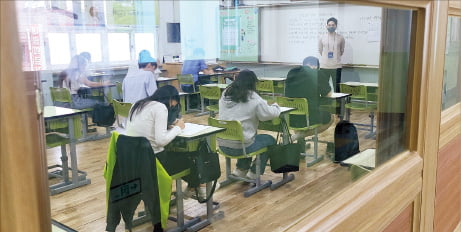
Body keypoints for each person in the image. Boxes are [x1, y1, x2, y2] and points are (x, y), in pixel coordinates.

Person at [125, 85, 207, 199]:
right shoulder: (160, 107)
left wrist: (167, 126)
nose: (175, 105)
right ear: (170, 98)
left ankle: (195, 187)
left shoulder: (138, 104)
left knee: (177, 156)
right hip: (153, 163)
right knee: (190, 159)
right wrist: (178, 127)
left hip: (132, 161)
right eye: (175, 101)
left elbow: (145, 128)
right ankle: (199, 187)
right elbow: (161, 141)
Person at [218, 70, 281, 179]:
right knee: (269, 140)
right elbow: (266, 115)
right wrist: (276, 106)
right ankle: (254, 173)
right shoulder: (253, 97)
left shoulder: (226, 93)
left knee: (248, 136)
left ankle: (241, 170)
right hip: (241, 147)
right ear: (252, 83)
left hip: (223, 145)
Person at [285, 56, 334, 140]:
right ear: (315, 66)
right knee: (331, 118)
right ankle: (300, 136)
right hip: (309, 117)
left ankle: (300, 145)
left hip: (291, 116)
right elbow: (328, 94)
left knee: (300, 119)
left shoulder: (292, 72)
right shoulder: (316, 73)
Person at [318, 17, 345, 93]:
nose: (331, 26)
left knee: (337, 87)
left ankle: (337, 104)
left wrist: (335, 57)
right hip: (324, 66)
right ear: (326, 26)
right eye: (329, 25)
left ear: (336, 26)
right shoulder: (322, 37)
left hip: (336, 66)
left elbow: (342, 51)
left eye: (333, 25)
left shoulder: (341, 38)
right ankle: (325, 104)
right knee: (323, 87)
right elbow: (320, 50)